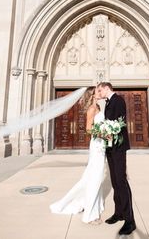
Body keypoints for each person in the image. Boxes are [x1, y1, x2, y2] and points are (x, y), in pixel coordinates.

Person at [50, 86, 105, 224]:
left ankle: (90, 203)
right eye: (98, 91)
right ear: (92, 94)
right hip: (97, 146)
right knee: (95, 177)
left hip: (101, 145)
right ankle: (90, 215)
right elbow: (88, 129)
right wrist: (105, 134)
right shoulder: (92, 109)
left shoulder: (97, 106)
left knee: (93, 177)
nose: (100, 93)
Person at [97, 82, 136, 235]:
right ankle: (119, 213)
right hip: (110, 147)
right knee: (114, 181)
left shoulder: (118, 100)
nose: (99, 93)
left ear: (107, 88)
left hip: (118, 147)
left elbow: (119, 123)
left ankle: (129, 220)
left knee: (121, 181)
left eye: (100, 90)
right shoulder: (108, 103)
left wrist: (110, 131)